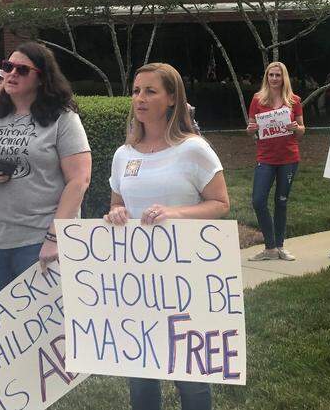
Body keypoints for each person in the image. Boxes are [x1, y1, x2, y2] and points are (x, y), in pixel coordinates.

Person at [0, 43, 92, 410]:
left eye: (21, 70)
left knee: (35, 337)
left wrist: (55, 237)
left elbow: (80, 179)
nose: (10, 74)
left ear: (42, 77)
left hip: (37, 245)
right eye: (7, 66)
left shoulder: (61, 118)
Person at [104, 62, 231, 410]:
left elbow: (220, 203)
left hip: (184, 278)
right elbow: (117, 205)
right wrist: (115, 215)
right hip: (137, 282)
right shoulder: (123, 155)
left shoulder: (194, 149)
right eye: (135, 91)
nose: (139, 99)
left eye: (150, 91)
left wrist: (174, 214)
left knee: (190, 372)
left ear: (172, 98)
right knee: (141, 371)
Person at [245, 61, 305, 261]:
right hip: (266, 157)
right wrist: (251, 130)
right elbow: (251, 128)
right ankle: (269, 247)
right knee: (258, 200)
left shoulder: (294, 101)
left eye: (278, 75)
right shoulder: (257, 99)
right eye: (271, 75)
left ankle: (279, 246)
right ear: (266, 77)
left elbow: (302, 131)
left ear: (284, 77)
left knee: (281, 202)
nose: (274, 78)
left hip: (288, 157)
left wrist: (296, 128)